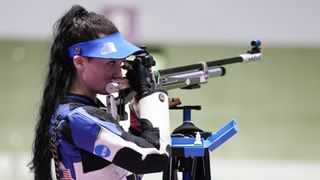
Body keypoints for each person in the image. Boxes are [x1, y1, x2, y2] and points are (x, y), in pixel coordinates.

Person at [29, 4, 171, 180]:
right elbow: (155, 158)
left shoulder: (77, 113)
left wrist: (137, 121)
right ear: (80, 62)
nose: (119, 73)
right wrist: (151, 94)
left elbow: (125, 170)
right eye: (111, 63)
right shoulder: (80, 119)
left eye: (120, 64)